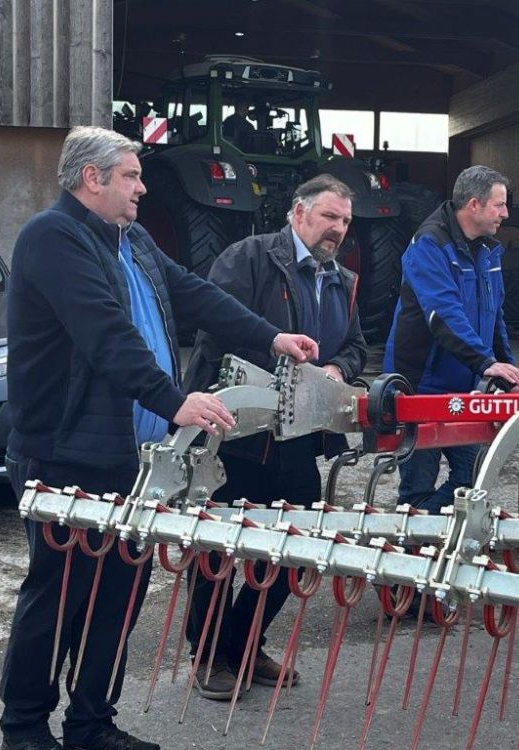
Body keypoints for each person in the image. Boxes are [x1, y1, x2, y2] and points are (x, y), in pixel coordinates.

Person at [0, 126, 318, 750]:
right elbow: (105, 335)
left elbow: (197, 294)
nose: (143, 187)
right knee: (58, 596)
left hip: (135, 461)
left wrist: (270, 337)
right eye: (131, 176)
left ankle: (91, 724)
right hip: (65, 453)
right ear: (92, 179)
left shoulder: (132, 238)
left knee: (119, 595)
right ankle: (25, 730)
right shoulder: (52, 239)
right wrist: (176, 401)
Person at [183, 174, 366, 700]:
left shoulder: (342, 281)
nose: (338, 229)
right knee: (219, 548)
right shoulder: (249, 259)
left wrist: (334, 370)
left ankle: (244, 643)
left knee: (292, 549)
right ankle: (211, 656)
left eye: (345, 221)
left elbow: (356, 346)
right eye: (329, 216)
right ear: (298, 213)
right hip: (234, 434)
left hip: (298, 438)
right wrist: (277, 359)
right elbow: (214, 329)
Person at [383, 165, 519, 513]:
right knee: (417, 486)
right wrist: (486, 363)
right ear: (474, 205)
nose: (506, 214)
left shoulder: (487, 251)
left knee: (474, 477)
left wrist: (506, 368)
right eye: (499, 205)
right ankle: (416, 545)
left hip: (466, 390)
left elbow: (494, 316)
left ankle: (432, 531)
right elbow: (442, 314)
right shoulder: (429, 246)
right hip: (421, 388)